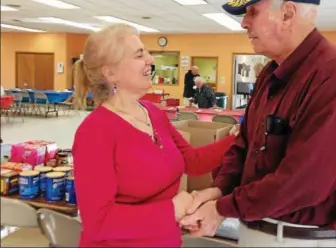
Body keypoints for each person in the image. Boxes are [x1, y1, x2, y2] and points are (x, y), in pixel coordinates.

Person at [180, 0, 336, 247]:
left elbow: (305, 182)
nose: (244, 22)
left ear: (288, 14)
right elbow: (244, 145)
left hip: (310, 240)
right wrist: (219, 190)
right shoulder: (270, 74)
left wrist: (222, 208)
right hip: (260, 230)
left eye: (252, 12)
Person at [71, 24, 237, 247]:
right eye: (139, 55)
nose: (150, 59)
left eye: (147, 52)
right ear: (110, 72)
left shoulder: (153, 112)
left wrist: (240, 137)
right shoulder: (95, 132)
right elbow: (97, 222)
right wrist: (172, 210)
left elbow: (192, 161)